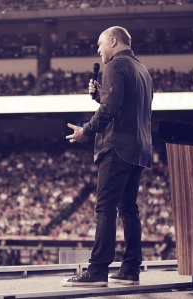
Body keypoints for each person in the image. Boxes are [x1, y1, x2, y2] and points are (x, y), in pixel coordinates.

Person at [62, 26, 153, 287]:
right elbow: (123, 106)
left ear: (113, 41)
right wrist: (100, 95)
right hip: (139, 148)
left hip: (117, 147)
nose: (98, 50)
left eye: (100, 44)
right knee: (128, 209)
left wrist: (85, 131)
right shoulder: (142, 70)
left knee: (105, 208)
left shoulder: (114, 65)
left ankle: (98, 271)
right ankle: (130, 269)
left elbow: (110, 110)